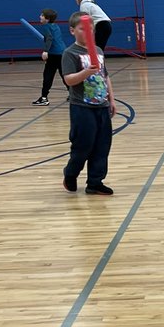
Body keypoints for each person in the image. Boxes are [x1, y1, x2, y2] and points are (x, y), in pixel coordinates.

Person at [61, 12, 115, 195]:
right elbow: (69, 80)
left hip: (101, 106)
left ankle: (95, 181)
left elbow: (105, 76)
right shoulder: (70, 53)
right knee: (83, 144)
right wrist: (86, 72)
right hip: (81, 107)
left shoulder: (98, 51)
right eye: (82, 29)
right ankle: (71, 173)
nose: (87, 32)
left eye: (91, 29)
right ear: (72, 30)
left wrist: (111, 99)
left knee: (102, 145)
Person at [32, 8, 66, 105]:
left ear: (47, 19)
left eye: (42, 15)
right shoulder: (56, 26)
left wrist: (45, 51)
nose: (40, 16)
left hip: (54, 54)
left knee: (48, 75)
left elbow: (50, 38)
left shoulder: (45, 26)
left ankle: (44, 98)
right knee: (64, 74)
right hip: (63, 52)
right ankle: (73, 94)